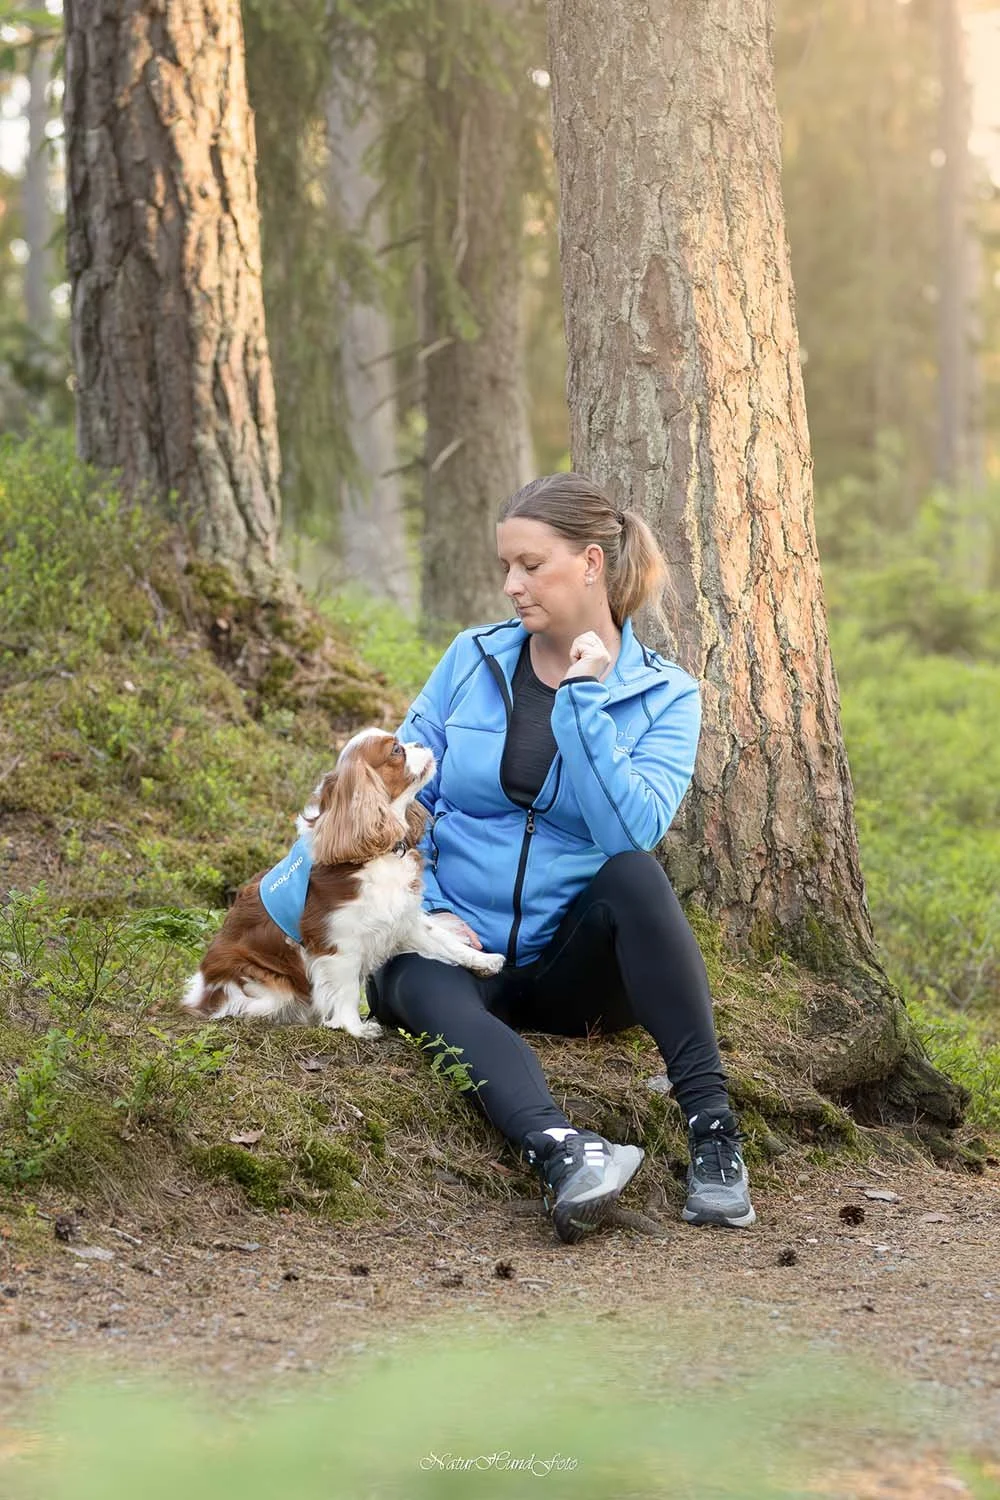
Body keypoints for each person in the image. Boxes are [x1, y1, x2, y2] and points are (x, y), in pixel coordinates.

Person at [367, 472, 756, 1243]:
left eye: (531, 565)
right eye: (506, 566)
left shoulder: (665, 694)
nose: (512, 585)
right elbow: (399, 795)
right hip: (454, 951)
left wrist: (582, 703)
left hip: (570, 972)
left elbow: (627, 832)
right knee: (403, 971)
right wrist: (425, 907)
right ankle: (565, 1152)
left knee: (635, 878)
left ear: (589, 564)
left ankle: (715, 1139)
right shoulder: (471, 658)